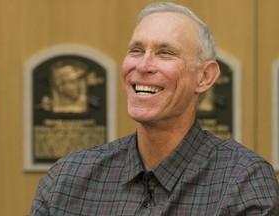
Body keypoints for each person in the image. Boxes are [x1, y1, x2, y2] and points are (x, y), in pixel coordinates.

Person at [30, 2, 279, 215]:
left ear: (204, 77)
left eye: (165, 53)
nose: (143, 65)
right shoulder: (67, 179)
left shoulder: (242, 181)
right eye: (136, 50)